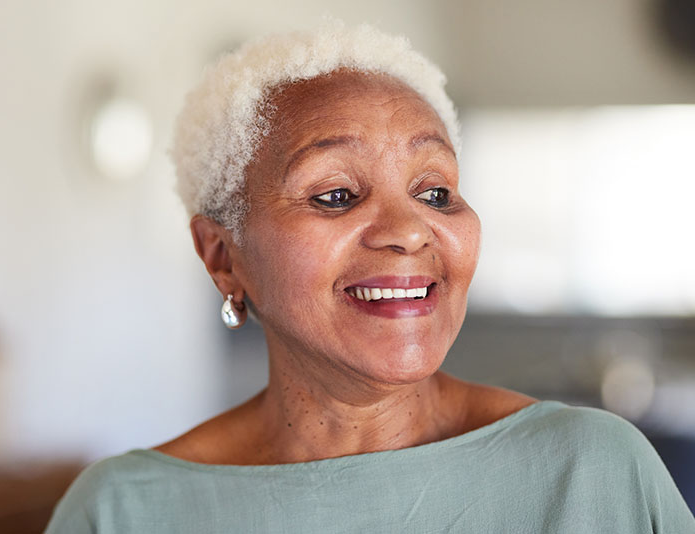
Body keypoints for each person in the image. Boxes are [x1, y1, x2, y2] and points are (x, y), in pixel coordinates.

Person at [45, 21, 695, 533]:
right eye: (334, 195)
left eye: (435, 193)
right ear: (222, 257)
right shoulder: (125, 513)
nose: (411, 230)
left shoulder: (592, 474)